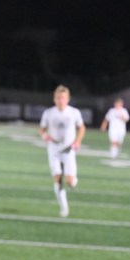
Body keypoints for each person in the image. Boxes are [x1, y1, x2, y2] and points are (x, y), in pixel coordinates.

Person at [39, 85, 86, 218]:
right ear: (54, 99)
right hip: (53, 149)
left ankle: (73, 182)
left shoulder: (74, 112)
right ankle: (64, 207)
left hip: (68, 149)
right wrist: (44, 136)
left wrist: (78, 141)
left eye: (63, 98)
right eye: (58, 98)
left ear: (68, 99)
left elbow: (82, 128)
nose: (61, 100)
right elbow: (42, 129)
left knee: (70, 181)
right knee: (57, 178)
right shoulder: (48, 113)